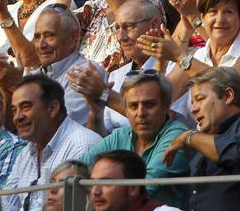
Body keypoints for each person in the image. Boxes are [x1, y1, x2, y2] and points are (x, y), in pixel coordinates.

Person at [159, 66, 240, 211]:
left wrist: (189, 137)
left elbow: (238, 152)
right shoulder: (202, 145)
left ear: (228, 96)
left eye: (200, 99)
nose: (193, 109)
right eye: (192, 103)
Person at [77, 74, 189, 207]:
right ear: (126, 110)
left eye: (149, 104)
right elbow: (77, 169)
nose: (141, 113)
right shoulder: (120, 136)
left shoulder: (177, 134)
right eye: (133, 106)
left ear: (166, 106)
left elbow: (146, 187)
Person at [1, 75, 100, 211]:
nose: (18, 117)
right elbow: (6, 205)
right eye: (14, 110)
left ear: (52, 108)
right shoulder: (26, 152)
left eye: (25, 107)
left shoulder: (81, 145)